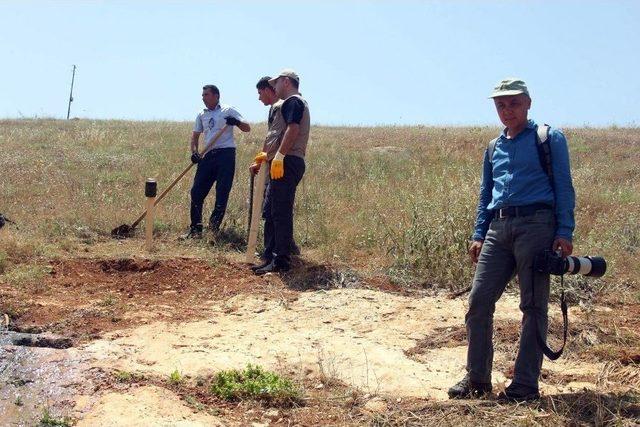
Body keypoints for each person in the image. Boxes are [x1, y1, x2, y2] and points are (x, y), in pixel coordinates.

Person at [448, 78, 575, 402]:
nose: (507, 110)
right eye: (501, 105)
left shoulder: (548, 138)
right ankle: (477, 379)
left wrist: (564, 231)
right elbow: (485, 194)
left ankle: (524, 386)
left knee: (533, 306)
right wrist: (478, 233)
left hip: (537, 225)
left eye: (514, 103)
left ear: (528, 103)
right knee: (478, 302)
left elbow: (563, 185)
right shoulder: (494, 147)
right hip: (498, 228)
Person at [251, 70, 310, 275]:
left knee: (280, 212)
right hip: (282, 161)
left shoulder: (293, 101)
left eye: (276, 84)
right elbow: (277, 134)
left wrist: (280, 156)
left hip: (288, 161)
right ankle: (271, 256)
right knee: (273, 210)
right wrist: (265, 157)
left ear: (286, 82)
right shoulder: (287, 103)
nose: (274, 88)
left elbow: (292, 130)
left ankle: (281, 260)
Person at [182, 84, 250, 239]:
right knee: (196, 191)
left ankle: (213, 229)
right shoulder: (201, 114)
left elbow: (247, 128)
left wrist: (236, 122)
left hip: (226, 155)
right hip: (207, 155)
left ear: (216, 96)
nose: (203, 97)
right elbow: (195, 136)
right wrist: (195, 153)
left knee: (222, 191)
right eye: (202, 95)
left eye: (206, 94)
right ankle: (196, 229)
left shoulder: (228, 110)